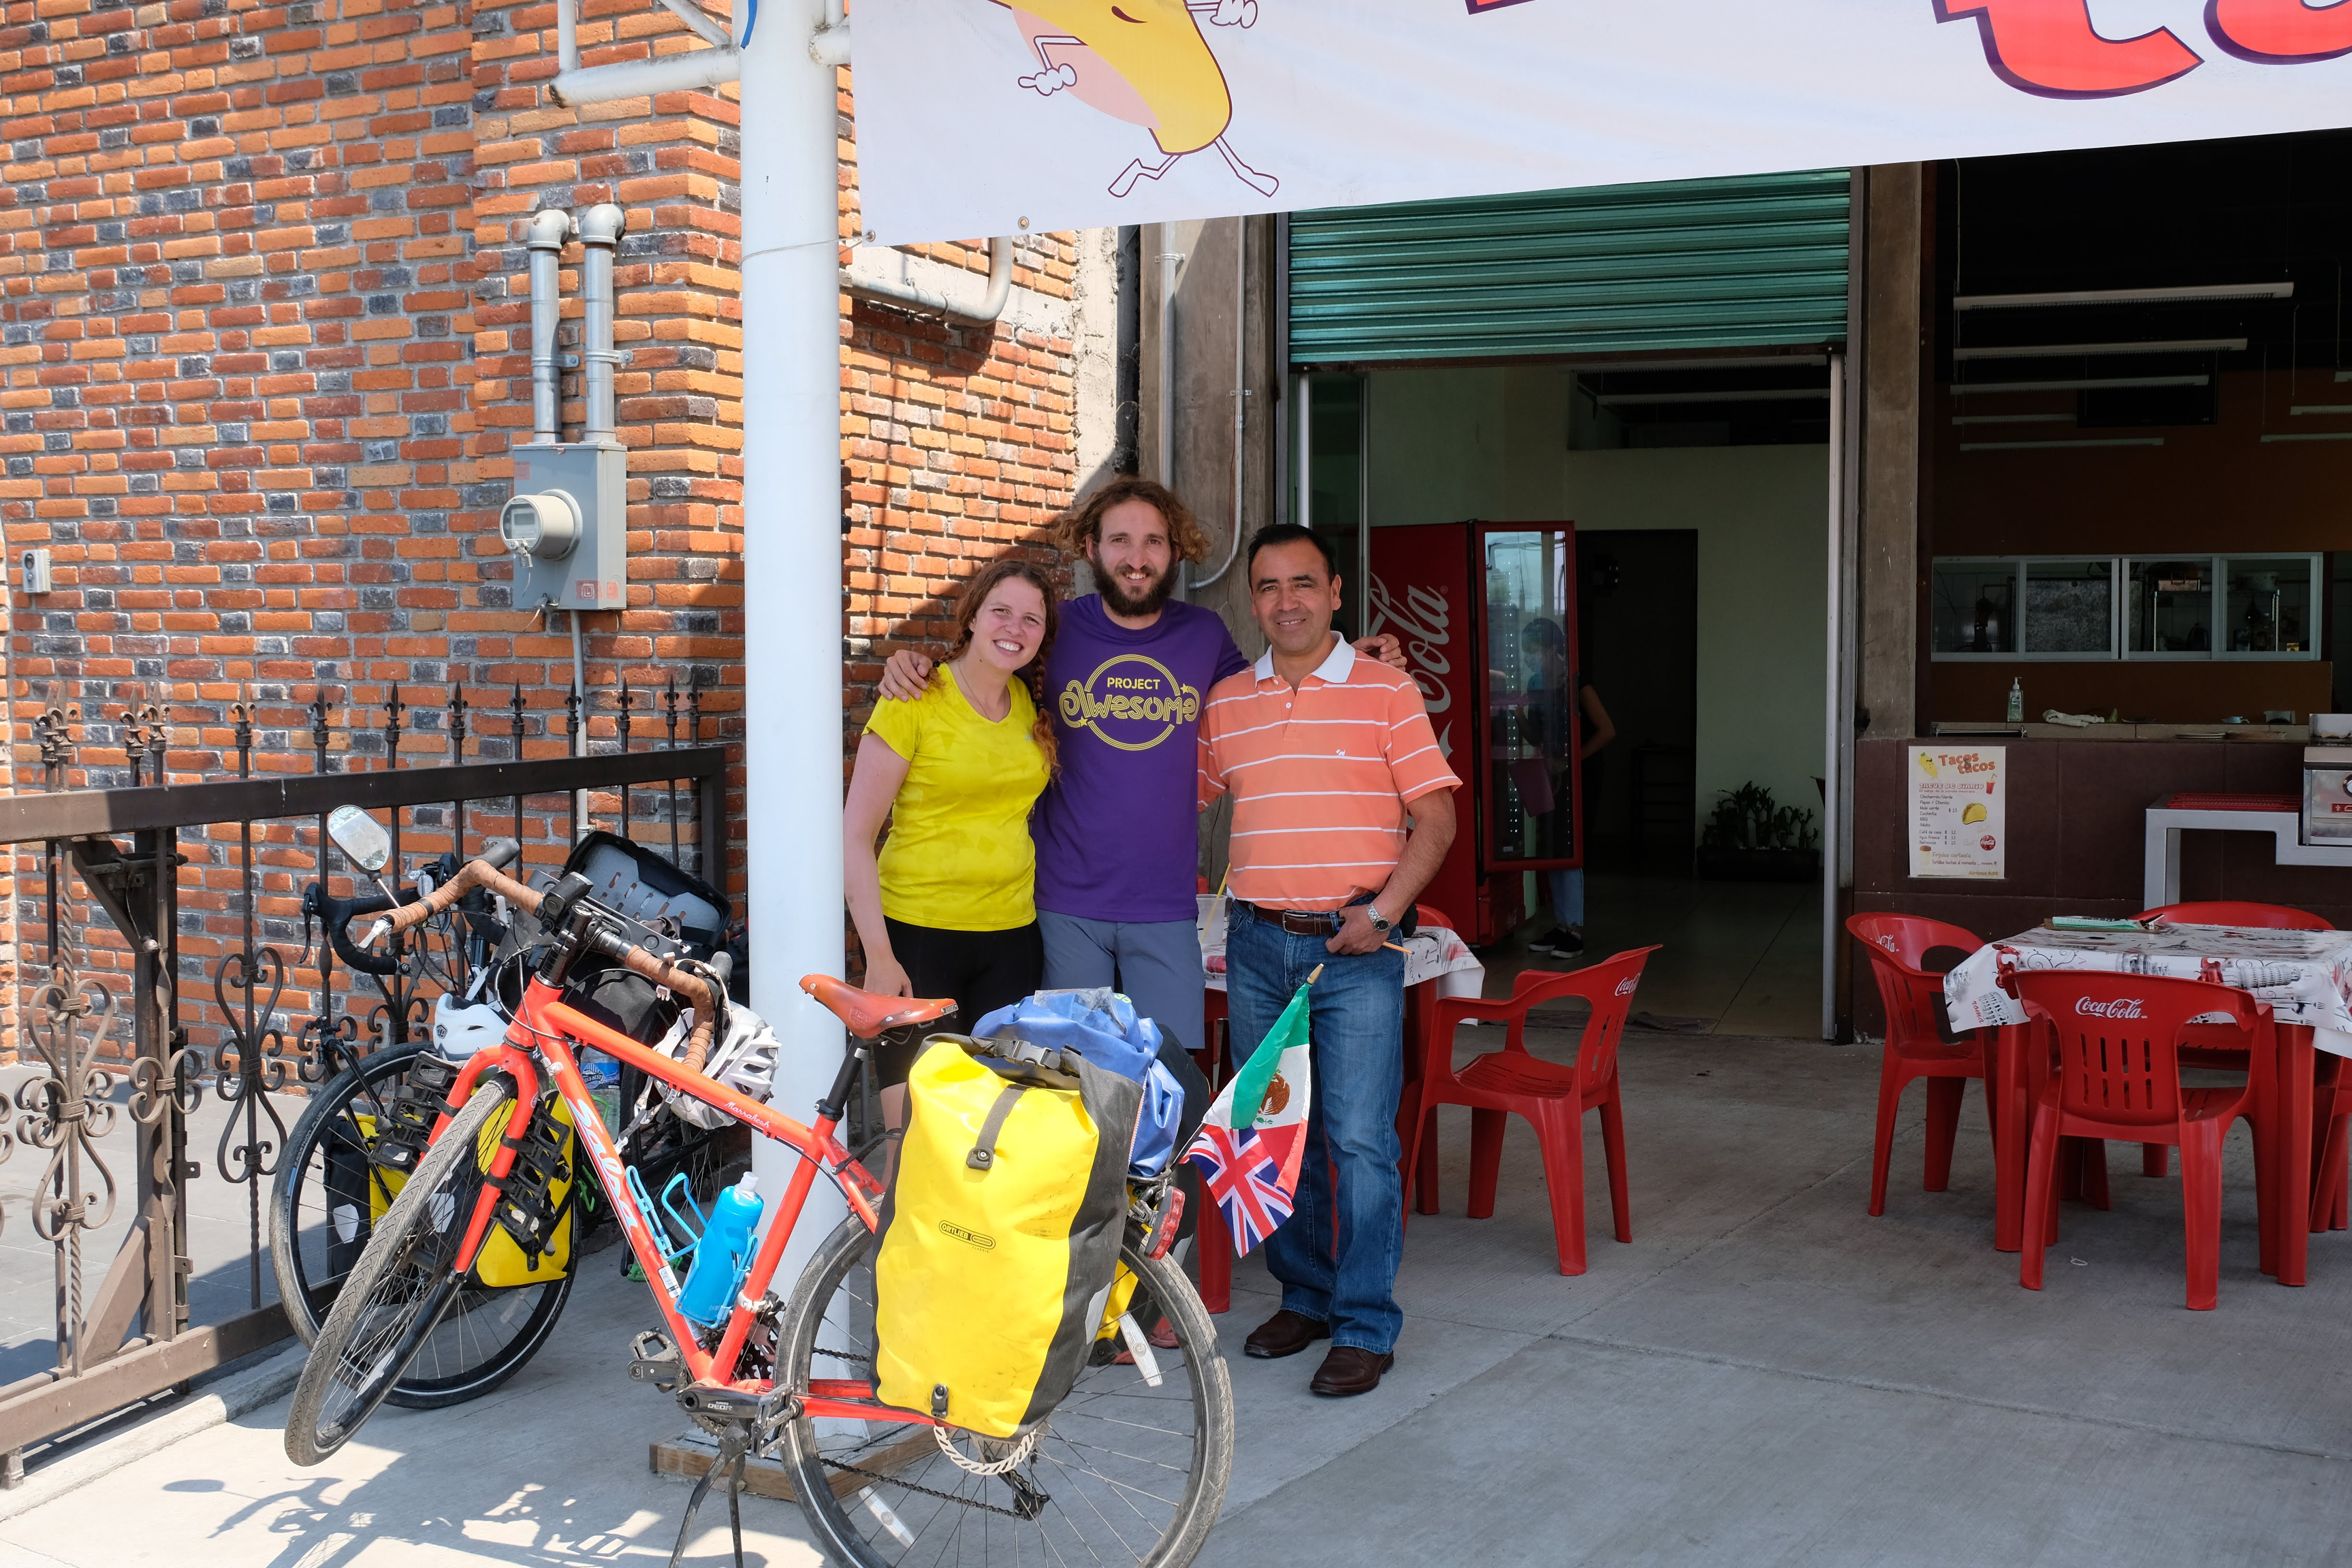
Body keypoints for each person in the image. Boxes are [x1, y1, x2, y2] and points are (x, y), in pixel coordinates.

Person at [876, 477, 1402, 1078]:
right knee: (1072, 1081)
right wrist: (914, 663)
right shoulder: (1054, 629)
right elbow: (987, 667)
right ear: (1092, 549)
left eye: (1153, 541)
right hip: (1063, 902)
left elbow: (1272, 691)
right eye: (1119, 540)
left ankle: (1159, 1181)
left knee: (1169, 1081)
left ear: (1175, 551)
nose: (1136, 556)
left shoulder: (1204, 636)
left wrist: (1350, 658)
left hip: (1166, 906)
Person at [1199, 522, 1459, 1399]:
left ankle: (1363, 1323)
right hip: (1257, 943)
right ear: (1254, 601)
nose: (1286, 602)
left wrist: (1383, 915)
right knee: (1280, 1134)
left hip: (1354, 946)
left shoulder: (1387, 692)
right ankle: (1304, 1298)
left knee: (1357, 1139)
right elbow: (1173, 788)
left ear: (1336, 593)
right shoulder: (1228, 701)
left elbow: (1437, 820)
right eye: (1267, 587)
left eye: (1302, 584)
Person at [843, 558, 1058, 1082]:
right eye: (1001, 611)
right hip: (918, 937)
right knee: (911, 1128)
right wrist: (878, 954)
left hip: (1011, 938)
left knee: (991, 1127)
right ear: (971, 618)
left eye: (1032, 619)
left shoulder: (1029, 707)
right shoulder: (913, 699)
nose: (1015, 628)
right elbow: (854, 836)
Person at [1521, 617, 1615, 957]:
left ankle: (1574, 930)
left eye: (1535, 650)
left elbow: (1606, 730)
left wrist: (1572, 761)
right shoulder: (1535, 683)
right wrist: (1514, 713)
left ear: (1553, 648)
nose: (1530, 657)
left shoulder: (1577, 682)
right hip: (1553, 774)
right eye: (1526, 650)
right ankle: (1562, 925)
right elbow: (1536, 736)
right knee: (1555, 849)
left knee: (1571, 849)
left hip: (1582, 774)